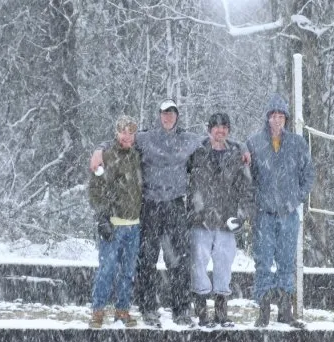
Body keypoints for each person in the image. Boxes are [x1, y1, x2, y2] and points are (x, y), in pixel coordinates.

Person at [90, 99, 250, 327]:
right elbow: (122, 140)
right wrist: (99, 150)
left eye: (172, 114)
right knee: (147, 259)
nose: (168, 118)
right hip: (150, 205)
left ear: (177, 117)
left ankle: (182, 308)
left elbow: (217, 139)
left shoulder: (188, 140)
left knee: (179, 260)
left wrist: (242, 148)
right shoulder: (146, 138)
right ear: (159, 115)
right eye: (165, 113)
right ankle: (148, 308)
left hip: (175, 205)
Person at [246, 94, 315, 328]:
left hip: (288, 214)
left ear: (286, 118)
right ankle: (263, 310)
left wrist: (296, 198)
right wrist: (255, 202)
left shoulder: (297, 144)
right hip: (264, 214)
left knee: (287, 262)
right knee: (263, 261)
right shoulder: (254, 143)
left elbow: (308, 176)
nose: (277, 120)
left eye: (281, 116)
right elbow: (248, 177)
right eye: (273, 116)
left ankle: (285, 309)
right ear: (267, 118)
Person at [187, 113, 253, 327]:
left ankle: (221, 310)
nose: (220, 130)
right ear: (209, 130)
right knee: (198, 264)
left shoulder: (236, 155)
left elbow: (245, 188)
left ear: (228, 131)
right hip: (200, 219)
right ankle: (201, 311)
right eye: (215, 127)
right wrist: (192, 210)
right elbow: (182, 179)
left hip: (226, 220)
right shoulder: (195, 152)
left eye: (224, 127)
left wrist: (241, 216)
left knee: (224, 264)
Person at [88, 115, 142, 328]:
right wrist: (102, 218)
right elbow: (95, 189)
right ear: (116, 132)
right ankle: (98, 311)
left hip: (134, 225)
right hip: (113, 224)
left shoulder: (138, 154)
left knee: (128, 272)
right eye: (123, 132)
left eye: (131, 132)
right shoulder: (107, 156)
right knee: (107, 269)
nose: (127, 136)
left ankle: (122, 310)